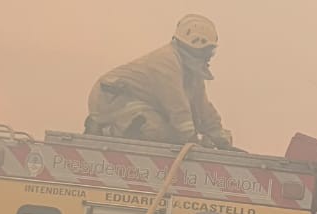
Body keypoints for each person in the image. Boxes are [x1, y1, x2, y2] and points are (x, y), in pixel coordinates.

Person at [84, 14, 235, 149]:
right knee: (161, 132)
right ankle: (105, 128)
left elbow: (203, 107)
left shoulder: (191, 71)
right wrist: (192, 140)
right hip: (113, 101)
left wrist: (220, 139)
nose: (208, 56)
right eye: (206, 50)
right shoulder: (166, 62)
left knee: (173, 134)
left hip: (141, 102)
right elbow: (177, 107)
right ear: (195, 46)